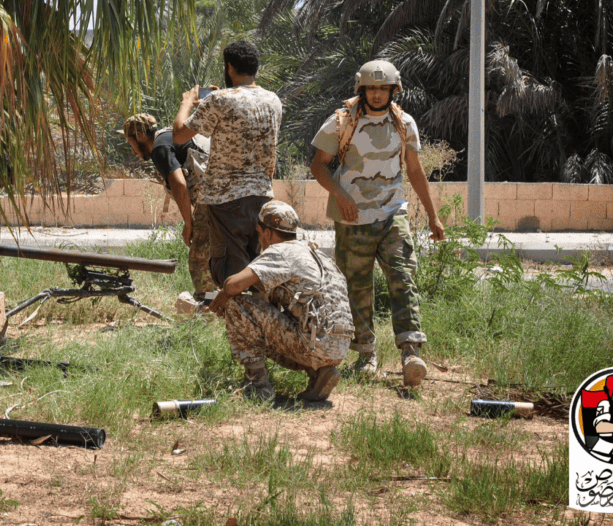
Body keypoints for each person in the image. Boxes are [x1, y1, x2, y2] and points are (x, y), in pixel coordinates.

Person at [309, 59, 445, 387]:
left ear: (393, 90)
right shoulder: (341, 121)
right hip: (352, 217)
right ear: (362, 89)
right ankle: (366, 354)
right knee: (357, 287)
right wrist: (341, 196)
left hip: (392, 212)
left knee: (403, 276)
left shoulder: (404, 123)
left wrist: (432, 214)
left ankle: (410, 351)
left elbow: (414, 169)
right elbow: (319, 166)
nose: (377, 94)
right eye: (372, 87)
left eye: (383, 88)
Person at [206, 201, 353, 402]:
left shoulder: (281, 251)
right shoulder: (319, 255)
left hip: (313, 344)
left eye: (259, 234)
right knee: (284, 320)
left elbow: (233, 285)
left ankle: (257, 385)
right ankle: (320, 373)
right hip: (340, 346)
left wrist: (224, 295)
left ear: (267, 233)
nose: (259, 240)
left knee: (237, 304)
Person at [173, 40, 283, 287]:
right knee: (257, 269)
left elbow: (179, 135)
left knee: (230, 270)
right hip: (262, 196)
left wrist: (187, 103)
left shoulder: (220, 100)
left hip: (226, 201)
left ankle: (236, 321)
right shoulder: (273, 100)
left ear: (229, 68)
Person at [119, 113, 216, 295]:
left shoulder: (160, 148)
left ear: (140, 136)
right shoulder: (170, 136)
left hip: (212, 200)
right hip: (228, 196)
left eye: (131, 143)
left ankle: (208, 305)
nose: (132, 150)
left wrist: (189, 224)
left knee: (200, 259)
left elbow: (179, 184)